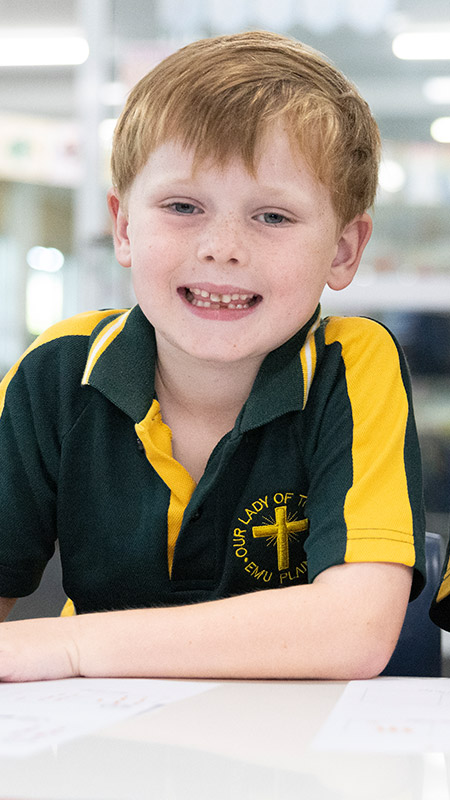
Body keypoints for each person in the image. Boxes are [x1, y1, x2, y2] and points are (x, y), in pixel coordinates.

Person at [0, 30, 425, 682]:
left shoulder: (352, 365)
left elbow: (356, 629)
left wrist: (72, 646)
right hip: (97, 743)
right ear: (123, 228)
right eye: (182, 206)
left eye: (273, 217)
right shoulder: (56, 370)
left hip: (298, 757)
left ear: (343, 250)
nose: (222, 247)